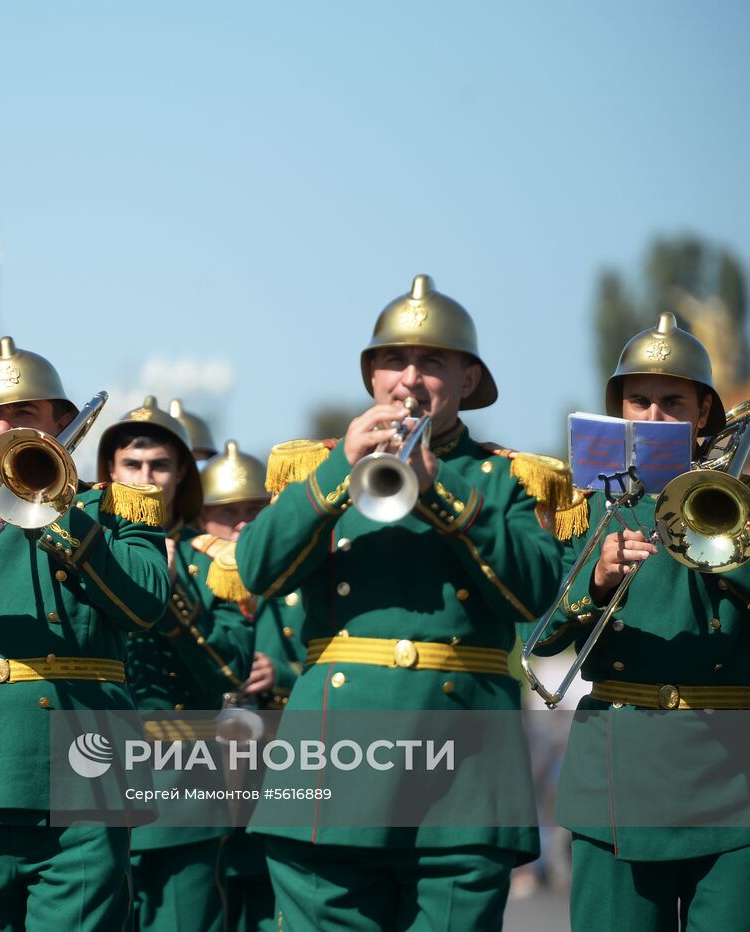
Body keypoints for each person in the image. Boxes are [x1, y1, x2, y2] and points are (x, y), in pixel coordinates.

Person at [234, 274, 567, 931]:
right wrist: (337, 473)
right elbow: (257, 569)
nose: (409, 378)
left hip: (462, 777)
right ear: (371, 377)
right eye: (393, 361)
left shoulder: (503, 479)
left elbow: (542, 596)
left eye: (432, 362)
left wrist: (442, 494)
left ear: (468, 380)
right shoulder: (319, 467)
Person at [0, 336, 171, 931]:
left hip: (86, 774)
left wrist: (58, 511)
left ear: (63, 422)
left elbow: (147, 604)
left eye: (22, 415)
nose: (2, 430)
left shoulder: (116, 508)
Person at [531, 311, 750, 931]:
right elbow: (539, 634)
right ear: (620, 410)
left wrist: (729, 545)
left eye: (672, 402)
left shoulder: (743, 496)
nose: (653, 417)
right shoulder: (587, 504)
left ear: (704, 413)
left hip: (733, 770)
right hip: (619, 773)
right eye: (640, 401)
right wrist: (596, 581)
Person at [96, 395, 251, 932]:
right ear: (108, 472)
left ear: (182, 471)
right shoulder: (84, 547)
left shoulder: (213, 559)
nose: (146, 477)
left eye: (159, 465)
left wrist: (172, 595)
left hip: (186, 786)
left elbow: (230, 670)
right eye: (132, 465)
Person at [193, 440, 306, 932]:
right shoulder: (188, 578)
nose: (241, 524)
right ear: (200, 519)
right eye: (226, 513)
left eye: (253, 511)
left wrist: (282, 677)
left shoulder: (295, 583)